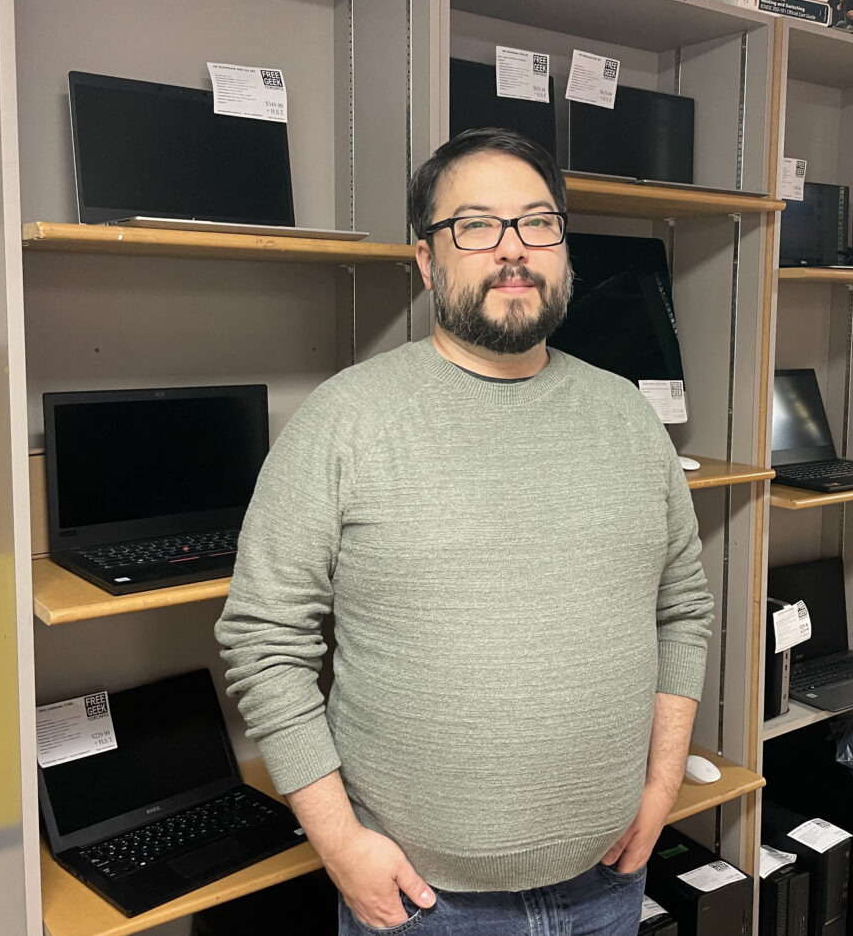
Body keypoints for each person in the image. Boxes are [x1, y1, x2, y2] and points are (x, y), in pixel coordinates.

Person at [215, 127, 713, 935]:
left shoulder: (627, 415)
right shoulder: (345, 421)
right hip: (421, 904)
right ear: (427, 259)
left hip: (610, 881)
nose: (511, 250)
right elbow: (263, 641)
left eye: (537, 223)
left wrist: (659, 792)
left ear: (564, 247)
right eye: (476, 225)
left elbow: (683, 608)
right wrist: (338, 844)